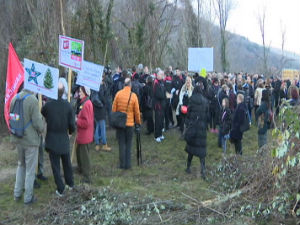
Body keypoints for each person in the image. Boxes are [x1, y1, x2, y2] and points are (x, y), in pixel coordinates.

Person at [10, 88, 44, 204]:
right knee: (30, 170)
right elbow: (38, 124)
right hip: (30, 141)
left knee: (21, 166)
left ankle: (17, 194)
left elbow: (12, 118)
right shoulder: (32, 100)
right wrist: (42, 127)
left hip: (18, 138)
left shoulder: (14, 98)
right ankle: (28, 198)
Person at [41, 82, 76, 196]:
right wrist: (70, 132)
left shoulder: (48, 106)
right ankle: (70, 184)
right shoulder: (68, 105)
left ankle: (61, 188)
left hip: (52, 140)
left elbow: (43, 112)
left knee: (55, 167)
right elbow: (72, 124)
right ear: (63, 92)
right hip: (64, 139)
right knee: (67, 164)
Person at [112, 78, 141, 169]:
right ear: (130, 85)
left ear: (124, 85)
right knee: (128, 144)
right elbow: (137, 112)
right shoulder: (133, 96)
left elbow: (114, 109)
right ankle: (128, 164)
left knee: (121, 144)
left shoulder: (118, 94)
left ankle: (122, 164)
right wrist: (138, 122)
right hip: (130, 124)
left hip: (120, 123)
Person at [184, 79, 209, 179]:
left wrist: (187, 123)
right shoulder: (205, 101)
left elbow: (188, 114)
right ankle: (203, 170)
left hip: (193, 127)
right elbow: (207, 115)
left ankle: (188, 167)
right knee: (201, 150)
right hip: (202, 128)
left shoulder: (191, 100)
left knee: (191, 148)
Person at [76, 86, 94, 183]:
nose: (79, 93)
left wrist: (77, 120)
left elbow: (86, 123)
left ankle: (87, 177)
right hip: (83, 135)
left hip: (84, 135)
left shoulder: (86, 104)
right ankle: (81, 169)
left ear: (84, 92)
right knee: (80, 153)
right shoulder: (85, 102)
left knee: (84, 156)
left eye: (80, 92)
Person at [91, 78, 111, 151]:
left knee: (98, 126)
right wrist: (102, 105)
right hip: (100, 109)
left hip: (98, 109)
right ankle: (104, 144)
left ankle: (97, 144)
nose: (103, 80)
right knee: (102, 127)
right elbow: (96, 99)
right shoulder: (98, 87)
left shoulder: (97, 86)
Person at [153, 70, 167, 143]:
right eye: (161, 74)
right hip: (158, 105)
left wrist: (165, 95)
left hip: (162, 104)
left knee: (161, 120)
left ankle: (160, 134)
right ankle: (157, 135)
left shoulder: (162, 82)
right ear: (157, 75)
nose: (162, 76)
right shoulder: (156, 83)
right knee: (158, 120)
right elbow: (159, 94)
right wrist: (164, 95)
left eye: (162, 74)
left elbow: (164, 91)